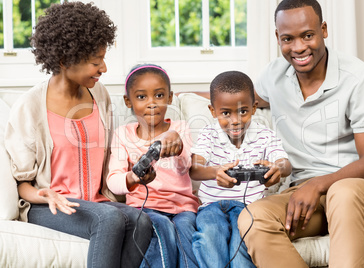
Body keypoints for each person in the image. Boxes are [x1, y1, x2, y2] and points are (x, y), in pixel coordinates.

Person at [237, 0, 364, 267]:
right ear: (278, 37)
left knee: (342, 193)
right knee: (252, 217)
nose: (298, 47)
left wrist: (317, 184)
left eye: (307, 35)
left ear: (324, 29)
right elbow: (235, 99)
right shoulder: (274, 75)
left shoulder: (358, 77)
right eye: (288, 39)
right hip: (305, 197)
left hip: (362, 192)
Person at [4, 2, 153, 268]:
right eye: (96, 62)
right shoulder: (30, 107)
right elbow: (22, 185)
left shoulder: (100, 95)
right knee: (109, 219)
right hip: (50, 207)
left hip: (95, 202)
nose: (104, 68)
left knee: (141, 220)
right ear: (65, 61)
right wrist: (45, 194)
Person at [190, 71, 291, 268]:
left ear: (254, 108)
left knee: (242, 244)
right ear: (213, 111)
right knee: (209, 237)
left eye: (243, 111)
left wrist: (276, 168)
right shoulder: (209, 134)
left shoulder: (264, 134)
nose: (235, 120)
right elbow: (194, 168)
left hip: (249, 207)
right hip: (211, 205)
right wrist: (215, 172)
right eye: (226, 113)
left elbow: (285, 163)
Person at [107, 64, 200, 268]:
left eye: (159, 95)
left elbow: (188, 167)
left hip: (182, 208)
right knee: (162, 226)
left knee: (186, 230)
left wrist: (177, 144)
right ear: (128, 101)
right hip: (144, 208)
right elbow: (113, 181)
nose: (151, 103)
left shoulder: (180, 129)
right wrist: (133, 178)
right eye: (141, 97)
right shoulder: (123, 134)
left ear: (169, 97)